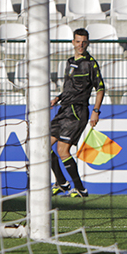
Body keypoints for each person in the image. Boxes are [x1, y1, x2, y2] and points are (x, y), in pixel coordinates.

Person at [50, 28, 105, 198]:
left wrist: (96, 111)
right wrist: (58, 97)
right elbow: (69, 87)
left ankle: (80, 188)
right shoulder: (69, 62)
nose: (81, 45)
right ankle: (62, 183)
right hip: (63, 109)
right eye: (78, 41)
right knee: (43, 146)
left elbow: (100, 88)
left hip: (77, 111)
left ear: (87, 43)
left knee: (63, 150)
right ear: (73, 42)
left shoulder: (90, 63)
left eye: (84, 42)